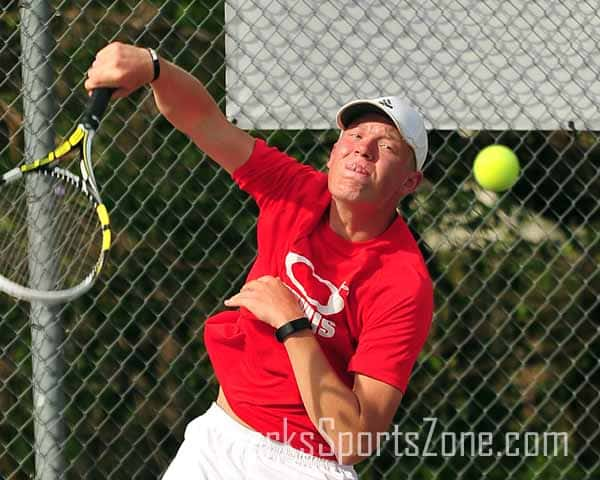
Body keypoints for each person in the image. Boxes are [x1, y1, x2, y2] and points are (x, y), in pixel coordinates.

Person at [85, 42, 434, 480]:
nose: (363, 148)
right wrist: (155, 67)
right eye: (356, 134)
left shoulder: (403, 281)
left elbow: (354, 441)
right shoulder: (294, 189)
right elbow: (203, 120)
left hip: (307, 465)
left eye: (387, 145)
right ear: (334, 150)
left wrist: (292, 324)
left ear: (410, 181)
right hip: (218, 438)